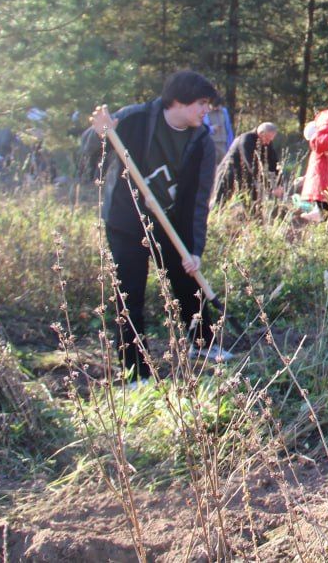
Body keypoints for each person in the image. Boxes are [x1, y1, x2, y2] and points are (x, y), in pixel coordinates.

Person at [82, 70, 230, 383]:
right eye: (201, 103)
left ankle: (202, 342)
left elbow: (200, 199)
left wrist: (195, 250)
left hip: (170, 221)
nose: (207, 111)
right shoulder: (134, 118)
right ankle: (136, 369)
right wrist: (98, 133)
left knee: (187, 280)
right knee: (130, 291)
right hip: (125, 220)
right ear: (179, 101)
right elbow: (88, 153)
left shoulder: (201, 140)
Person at [212, 122, 282, 206]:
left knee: (252, 204)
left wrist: (278, 183)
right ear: (261, 133)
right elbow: (252, 166)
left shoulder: (266, 142)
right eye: (267, 139)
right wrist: (269, 186)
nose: (268, 143)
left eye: (270, 140)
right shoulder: (246, 140)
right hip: (229, 173)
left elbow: (273, 162)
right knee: (219, 203)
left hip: (245, 176)